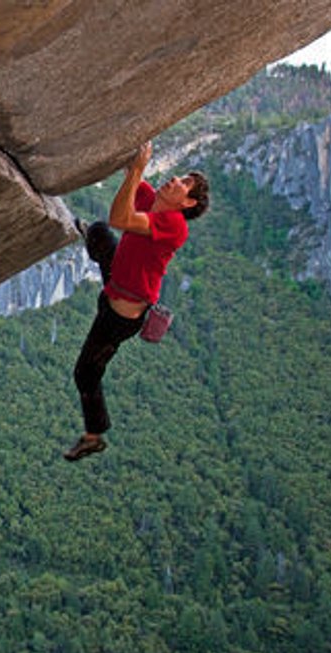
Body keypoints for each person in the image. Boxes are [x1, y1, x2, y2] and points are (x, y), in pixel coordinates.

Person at [64, 141, 210, 461]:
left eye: (185, 184)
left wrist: (138, 170)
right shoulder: (151, 199)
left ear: (187, 203)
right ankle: (92, 239)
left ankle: (93, 436)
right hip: (116, 282)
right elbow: (128, 173)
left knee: (85, 373)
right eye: (182, 176)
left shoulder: (175, 226)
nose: (176, 179)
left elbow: (121, 217)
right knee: (99, 233)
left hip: (120, 316)